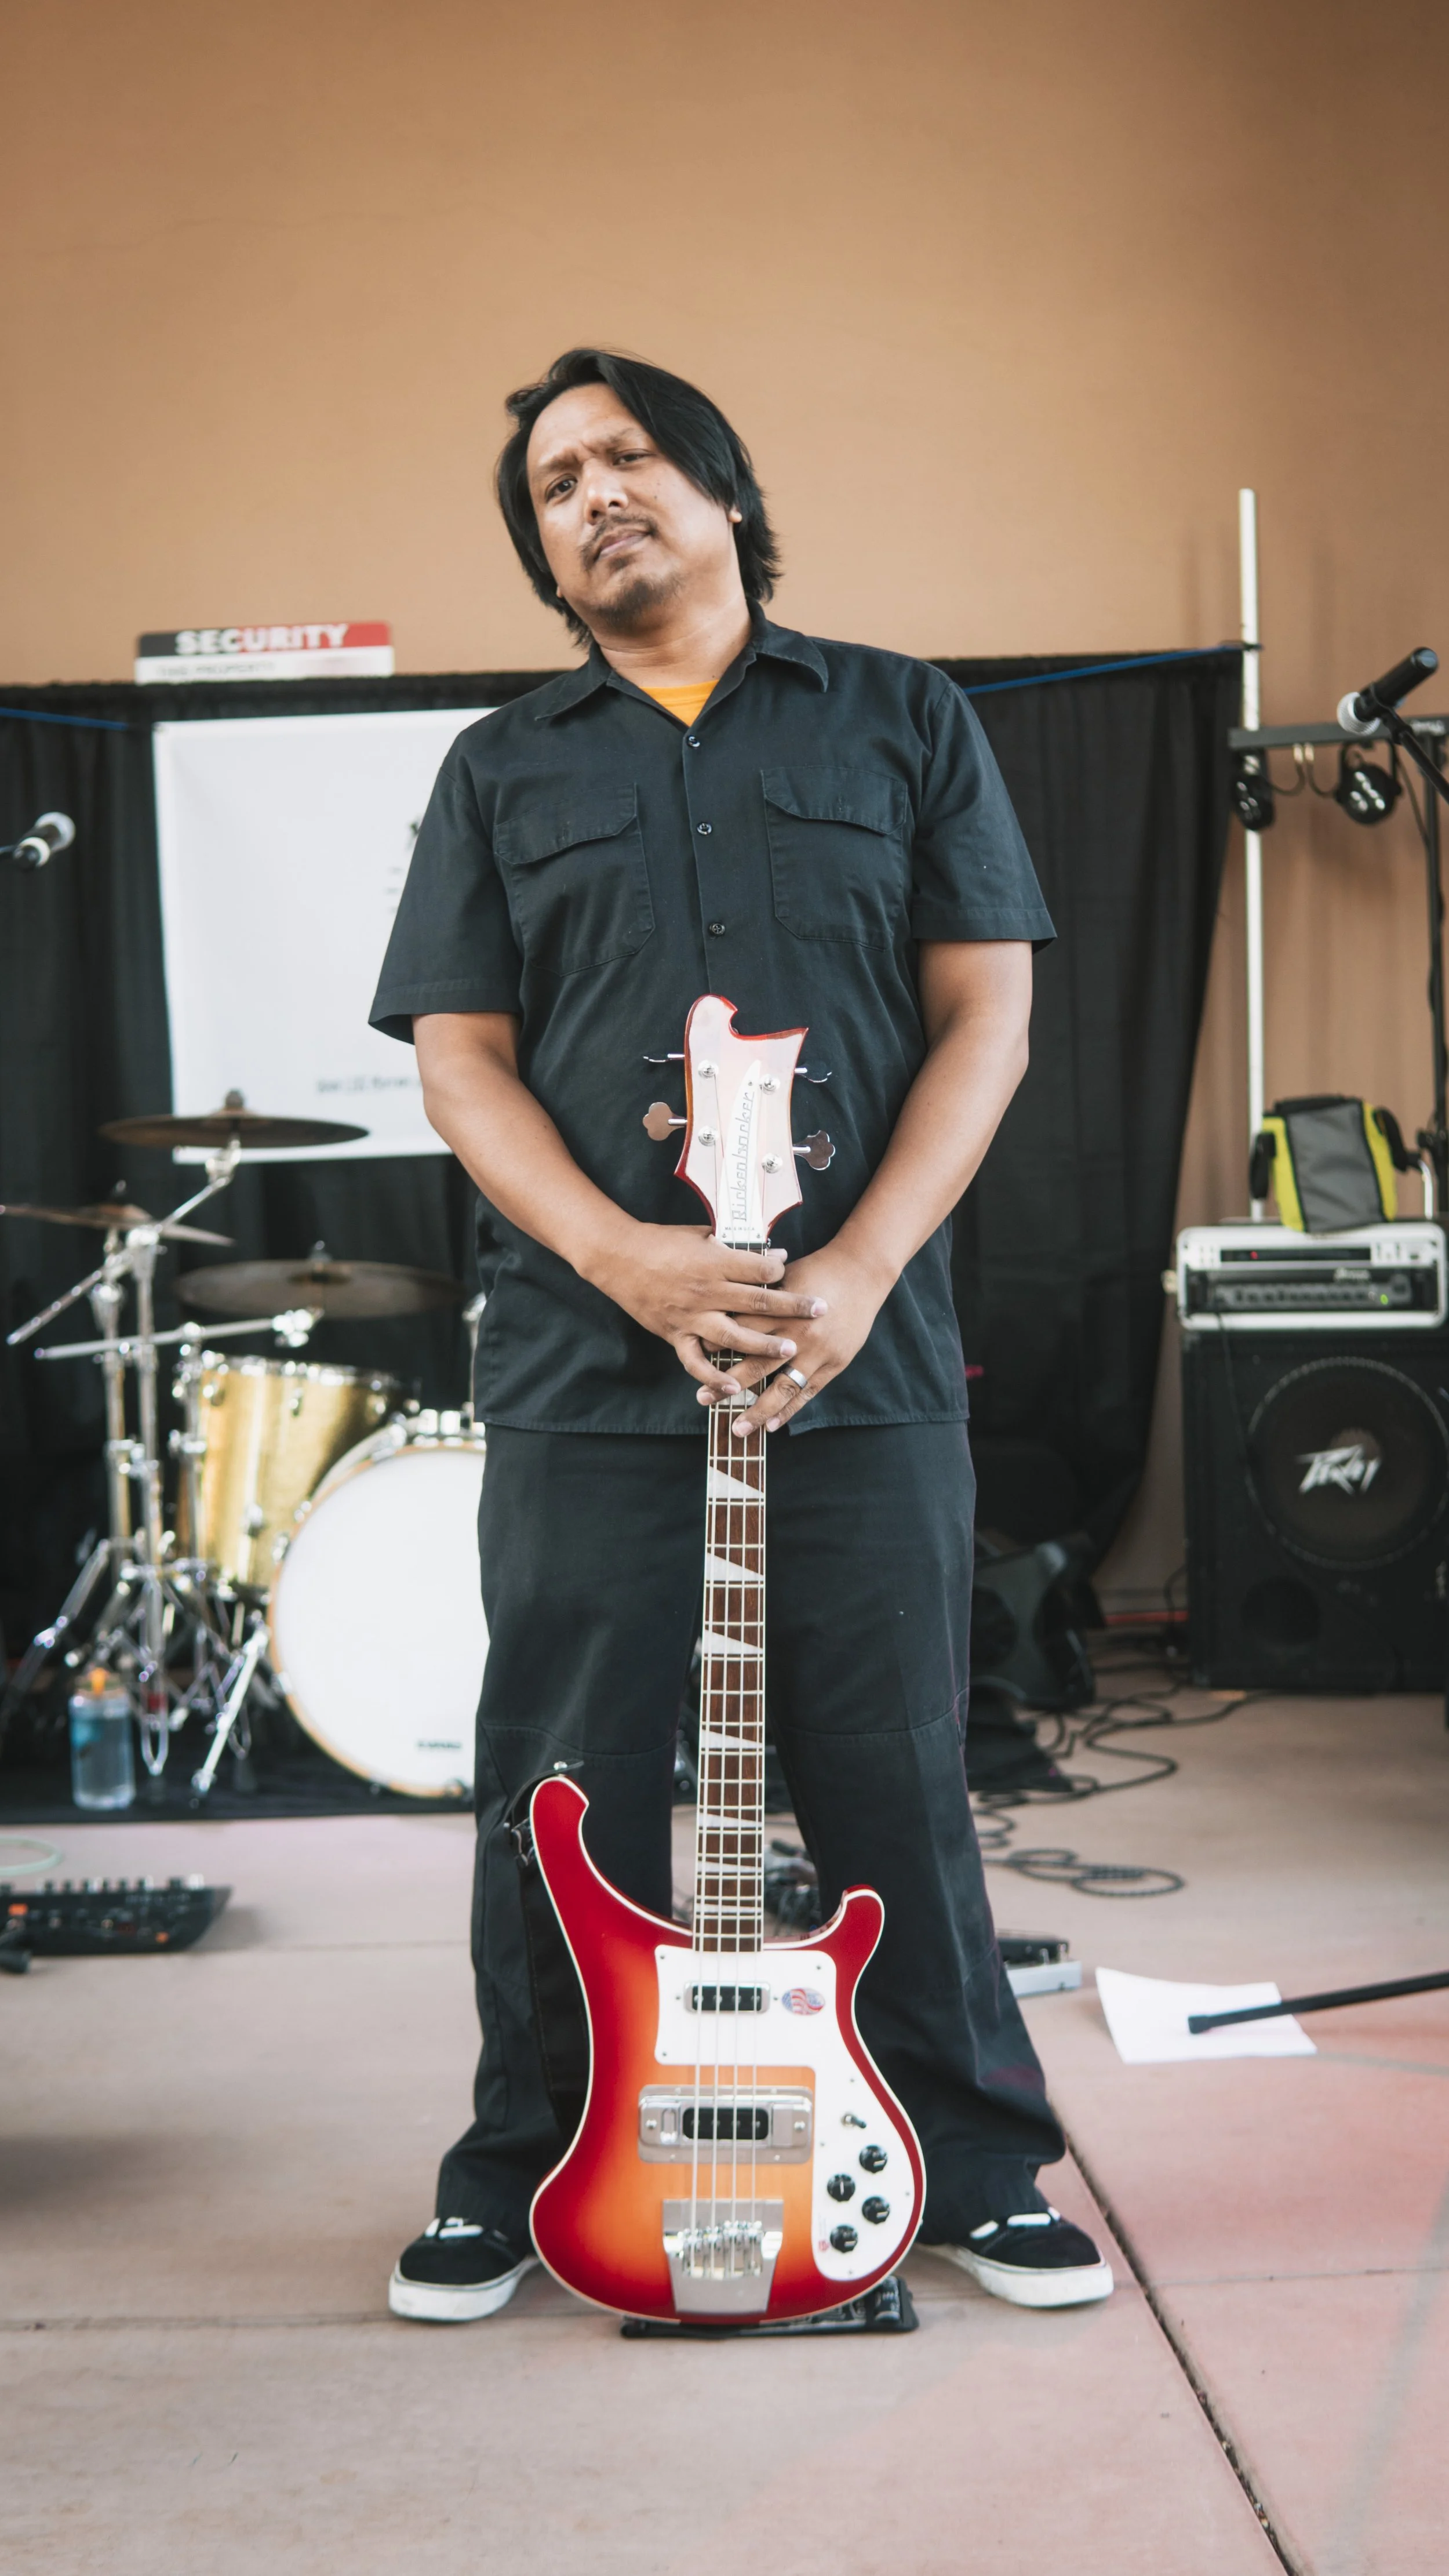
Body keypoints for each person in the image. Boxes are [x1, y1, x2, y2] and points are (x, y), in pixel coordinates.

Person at [369, 347, 1112, 2323]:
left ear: (717, 487)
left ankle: (968, 2158)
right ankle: (520, 2160)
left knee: (891, 1766)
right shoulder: (498, 769)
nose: (592, 495)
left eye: (626, 459)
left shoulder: (900, 719)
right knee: (559, 1784)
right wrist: (623, 1260)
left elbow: (988, 1021)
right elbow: (463, 1067)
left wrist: (859, 1271)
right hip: (582, 1367)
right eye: (550, 485)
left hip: (855, 1352)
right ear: (540, 552)